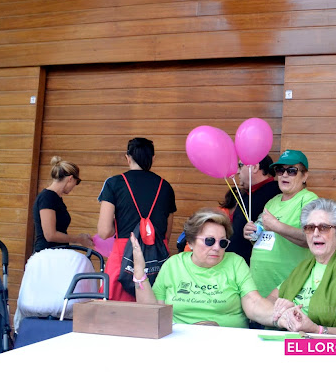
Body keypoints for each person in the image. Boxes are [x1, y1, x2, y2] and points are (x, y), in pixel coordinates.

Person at [129, 208, 282, 328]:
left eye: (222, 242)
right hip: (181, 342)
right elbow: (153, 312)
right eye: (209, 241)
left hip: (228, 342)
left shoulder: (235, 263)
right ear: (190, 242)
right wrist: (139, 271)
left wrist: (281, 317)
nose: (217, 248)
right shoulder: (173, 265)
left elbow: (254, 303)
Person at [269, 198, 336, 336]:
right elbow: (270, 299)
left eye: (324, 228)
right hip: (287, 342)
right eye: (310, 228)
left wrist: (317, 330)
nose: (316, 233)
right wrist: (282, 309)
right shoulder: (303, 267)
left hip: (327, 347)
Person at [97, 138, 176, 301]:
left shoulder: (114, 183)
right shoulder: (166, 187)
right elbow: (166, 233)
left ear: (128, 157)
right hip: (156, 257)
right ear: (153, 158)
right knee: (153, 310)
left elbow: (104, 231)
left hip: (123, 257)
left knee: (115, 311)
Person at [243, 150, 318, 297]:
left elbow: (313, 239)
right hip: (260, 285)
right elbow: (262, 236)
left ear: (304, 176)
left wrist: (277, 226)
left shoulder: (310, 200)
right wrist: (252, 232)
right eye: (280, 170)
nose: (284, 175)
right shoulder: (272, 202)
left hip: (287, 288)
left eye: (291, 171)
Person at [32, 156, 93, 253]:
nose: (75, 186)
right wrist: (78, 239)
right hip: (48, 255)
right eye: (77, 182)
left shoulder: (55, 198)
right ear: (70, 179)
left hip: (56, 253)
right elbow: (50, 235)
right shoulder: (47, 197)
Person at [228, 155, 280, 265]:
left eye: (240, 165)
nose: (237, 171)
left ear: (255, 167)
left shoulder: (275, 193)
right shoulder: (248, 192)